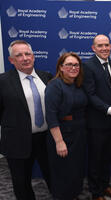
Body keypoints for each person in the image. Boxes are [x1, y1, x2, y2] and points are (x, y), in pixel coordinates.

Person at [0, 40, 52, 200]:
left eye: (27, 54)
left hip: (46, 139)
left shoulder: (47, 77)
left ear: (33, 56)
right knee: (21, 182)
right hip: (17, 141)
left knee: (53, 175)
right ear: (11, 60)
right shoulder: (2, 81)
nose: (24, 58)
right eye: (19, 55)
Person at [82, 34, 111, 200]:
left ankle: (105, 185)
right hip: (97, 123)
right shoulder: (88, 66)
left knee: (107, 158)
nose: (104, 48)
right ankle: (96, 192)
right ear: (93, 48)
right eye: (100, 46)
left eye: (107, 45)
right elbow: (90, 95)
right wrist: (110, 109)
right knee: (95, 160)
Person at [45, 52, 87, 200]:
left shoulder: (78, 84)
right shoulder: (54, 85)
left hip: (79, 133)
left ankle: (73, 195)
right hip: (62, 134)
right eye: (69, 64)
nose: (73, 67)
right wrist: (59, 141)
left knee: (76, 170)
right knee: (63, 172)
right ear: (61, 67)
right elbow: (50, 115)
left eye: (76, 65)